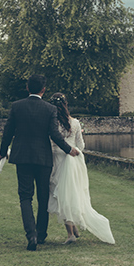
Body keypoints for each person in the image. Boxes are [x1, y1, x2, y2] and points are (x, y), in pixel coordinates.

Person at [0, 75, 79, 251]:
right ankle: (41, 234)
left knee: (25, 197)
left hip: (22, 157)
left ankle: (31, 235)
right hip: (43, 158)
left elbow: (8, 132)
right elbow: (54, 135)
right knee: (43, 197)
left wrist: (2, 152)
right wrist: (69, 149)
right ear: (43, 90)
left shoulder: (16, 106)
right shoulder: (49, 109)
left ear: (27, 88)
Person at [48, 92, 115, 245]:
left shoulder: (52, 124)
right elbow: (82, 146)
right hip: (73, 160)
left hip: (57, 160)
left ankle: (70, 233)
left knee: (61, 195)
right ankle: (73, 227)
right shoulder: (76, 123)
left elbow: (52, 143)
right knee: (71, 193)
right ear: (66, 105)